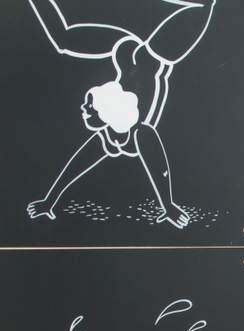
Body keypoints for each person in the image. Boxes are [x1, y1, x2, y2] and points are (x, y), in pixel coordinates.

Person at [26, 0, 217, 228]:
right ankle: (208, 4)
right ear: (106, 114)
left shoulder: (112, 134)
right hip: (146, 59)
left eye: (88, 105)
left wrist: (49, 201)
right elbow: (159, 169)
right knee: (152, 56)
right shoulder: (139, 134)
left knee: (63, 41)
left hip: (125, 51)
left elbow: (76, 165)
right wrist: (168, 206)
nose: (83, 109)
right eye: (90, 106)